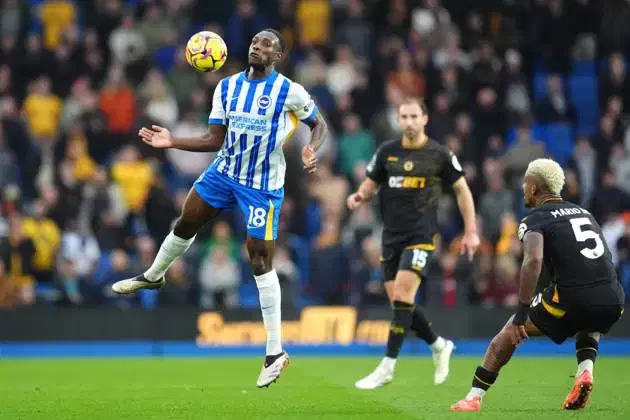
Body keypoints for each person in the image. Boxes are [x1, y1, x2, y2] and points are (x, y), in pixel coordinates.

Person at [111, 29, 328, 388]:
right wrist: (172, 141)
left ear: (279, 56)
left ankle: (275, 351)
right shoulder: (226, 87)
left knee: (259, 259)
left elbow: (317, 124)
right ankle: (153, 276)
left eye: (266, 45)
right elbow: (215, 139)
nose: (257, 47)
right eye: (255, 42)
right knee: (185, 222)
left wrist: (311, 148)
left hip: (262, 185)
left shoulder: (290, 91)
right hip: (224, 172)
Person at [450, 158, 625, 412]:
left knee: (509, 332)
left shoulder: (536, 218)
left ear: (534, 187)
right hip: (614, 299)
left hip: (574, 297)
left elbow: (533, 261)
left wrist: (522, 312)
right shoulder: (584, 213)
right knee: (590, 318)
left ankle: (473, 397)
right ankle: (585, 372)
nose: (523, 188)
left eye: (525, 183)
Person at [347, 97, 480, 389]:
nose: (408, 122)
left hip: (421, 236)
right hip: (391, 238)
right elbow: (371, 184)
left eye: (413, 116)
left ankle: (387, 366)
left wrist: (470, 230)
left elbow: (462, 191)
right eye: (403, 117)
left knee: (404, 295)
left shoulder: (439, 154)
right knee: (400, 303)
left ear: (424, 119)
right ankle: (438, 345)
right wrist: (359, 196)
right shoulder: (387, 152)